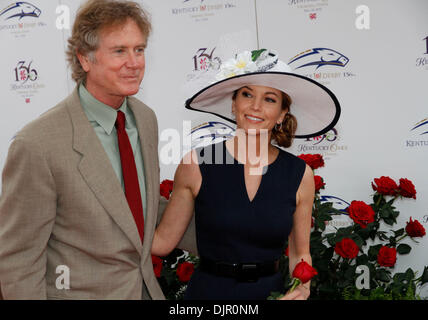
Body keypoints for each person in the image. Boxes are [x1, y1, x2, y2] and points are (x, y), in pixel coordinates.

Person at [0, 0, 166, 299]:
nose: (135, 62)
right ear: (85, 59)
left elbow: (139, 212)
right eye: (119, 51)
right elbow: (19, 260)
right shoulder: (38, 144)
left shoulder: (146, 119)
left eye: (139, 49)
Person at [152, 49, 341, 300]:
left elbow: (300, 253)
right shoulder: (196, 164)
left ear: (283, 114)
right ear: (234, 104)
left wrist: (302, 288)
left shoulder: (299, 174)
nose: (255, 106)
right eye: (247, 94)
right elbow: (162, 242)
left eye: (270, 99)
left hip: (269, 294)